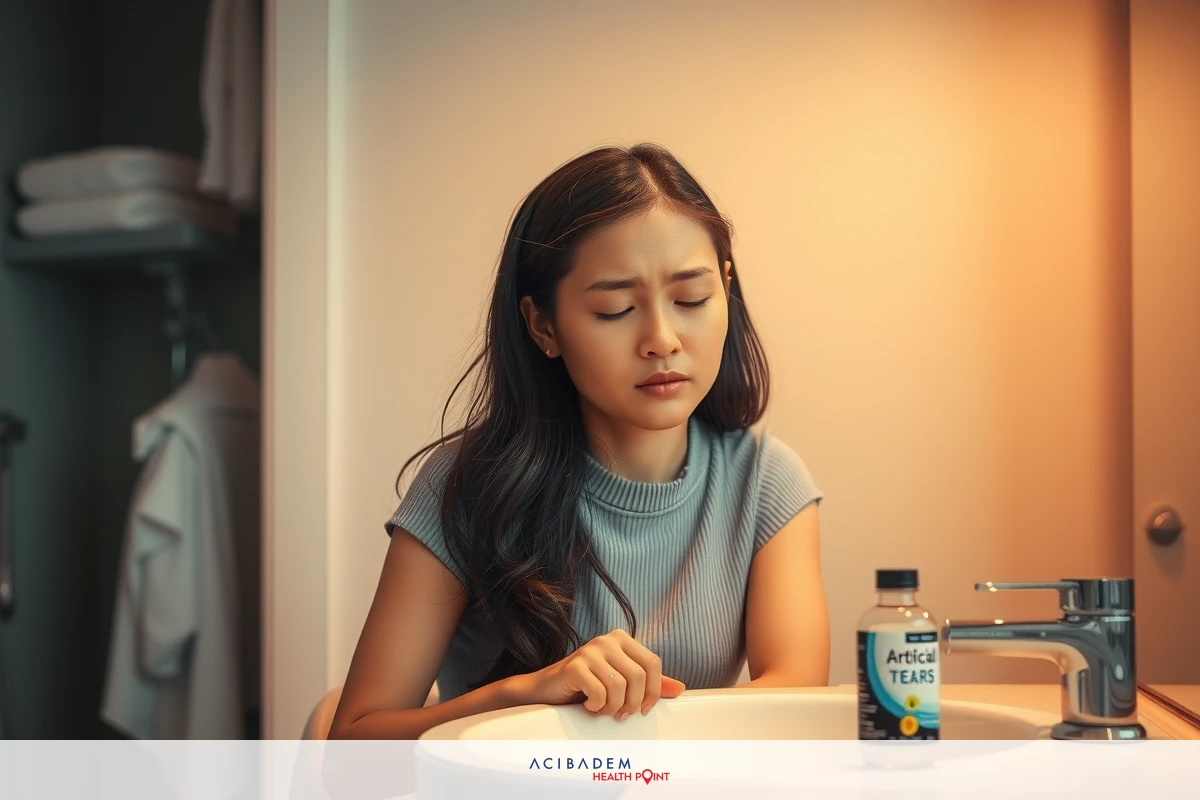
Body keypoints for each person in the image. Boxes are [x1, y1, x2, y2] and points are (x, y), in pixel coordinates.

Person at [328, 143, 829, 740]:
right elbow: (350, 747)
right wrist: (526, 695)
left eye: (691, 299)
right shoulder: (467, 485)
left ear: (726, 288)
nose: (662, 339)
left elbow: (794, 709)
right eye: (616, 310)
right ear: (544, 326)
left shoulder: (767, 481)